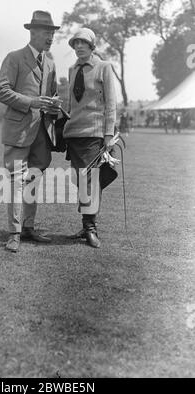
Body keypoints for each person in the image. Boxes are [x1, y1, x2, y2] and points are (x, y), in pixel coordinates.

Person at [0, 10, 60, 252]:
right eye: (47, 32)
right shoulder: (14, 58)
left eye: (53, 33)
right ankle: (14, 233)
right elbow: (1, 91)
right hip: (18, 132)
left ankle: (29, 227)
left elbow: (51, 95)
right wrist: (31, 102)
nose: (51, 37)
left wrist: (55, 104)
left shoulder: (51, 63)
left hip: (41, 133)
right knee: (15, 182)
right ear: (32, 33)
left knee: (33, 180)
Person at [63, 28, 117, 248]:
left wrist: (108, 134)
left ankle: (90, 228)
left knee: (91, 181)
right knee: (81, 181)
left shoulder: (103, 67)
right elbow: (72, 103)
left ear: (92, 45)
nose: (78, 47)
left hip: (94, 134)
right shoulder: (71, 69)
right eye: (75, 43)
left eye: (83, 43)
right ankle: (86, 224)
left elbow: (111, 103)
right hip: (73, 134)